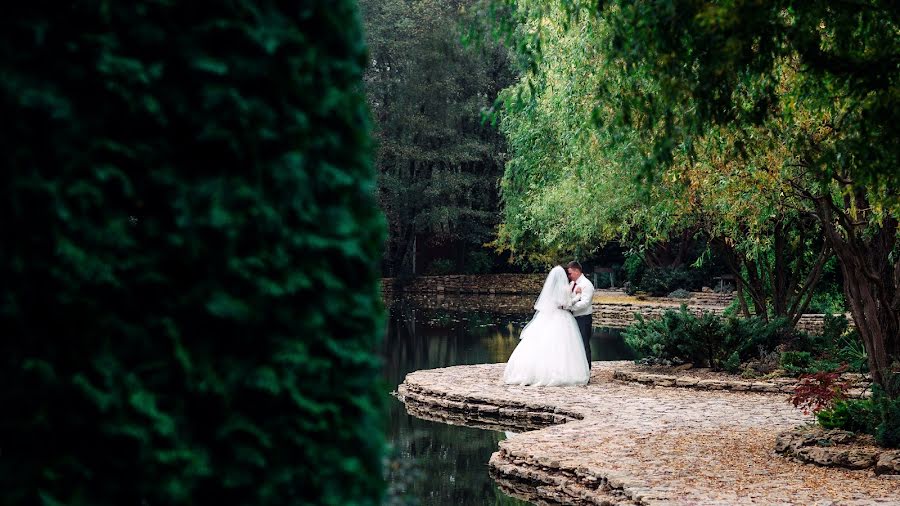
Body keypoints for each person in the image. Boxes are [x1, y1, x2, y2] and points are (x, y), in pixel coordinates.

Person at [503, 266, 590, 386]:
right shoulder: (565, 288)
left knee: (542, 342)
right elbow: (566, 304)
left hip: (547, 316)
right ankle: (562, 372)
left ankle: (534, 372)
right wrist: (578, 296)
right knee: (563, 346)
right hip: (562, 317)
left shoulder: (551, 290)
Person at [565, 260, 595, 367]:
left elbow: (585, 303)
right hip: (573, 319)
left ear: (577, 271)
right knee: (574, 346)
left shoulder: (587, 284)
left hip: (583, 319)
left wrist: (569, 307)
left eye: (570, 273)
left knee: (584, 345)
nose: (569, 276)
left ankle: (587, 371)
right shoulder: (572, 283)